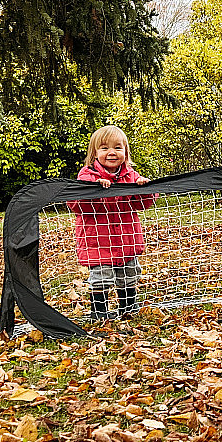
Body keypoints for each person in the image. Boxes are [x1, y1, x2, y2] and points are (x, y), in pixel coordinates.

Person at [69, 125, 156, 320]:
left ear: (126, 152)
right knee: (101, 276)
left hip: (126, 240)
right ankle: (99, 312)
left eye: (118, 147)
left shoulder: (131, 176)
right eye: (104, 148)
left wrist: (144, 189)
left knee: (129, 274)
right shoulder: (87, 176)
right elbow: (76, 205)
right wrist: (93, 190)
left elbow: (143, 204)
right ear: (94, 153)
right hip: (98, 241)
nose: (111, 152)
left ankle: (128, 308)